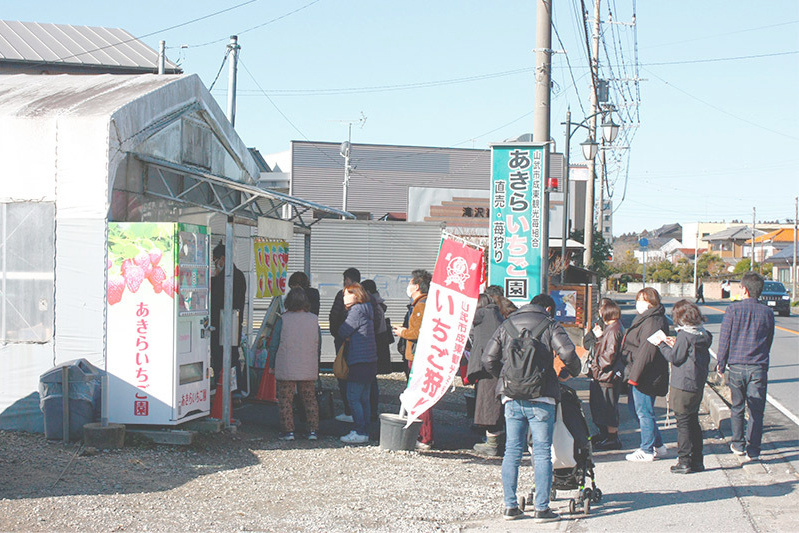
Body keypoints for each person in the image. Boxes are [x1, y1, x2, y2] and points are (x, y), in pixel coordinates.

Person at [482, 293, 581, 523]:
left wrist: (505, 379)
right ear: (547, 309)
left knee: (512, 451)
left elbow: (488, 359)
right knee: (542, 451)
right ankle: (541, 508)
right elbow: (567, 353)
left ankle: (510, 506)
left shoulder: (507, 325)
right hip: (542, 397)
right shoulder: (550, 325)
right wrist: (572, 372)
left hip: (512, 397)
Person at [716, 272, 775, 461]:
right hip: (758, 366)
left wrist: (721, 363)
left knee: (738, 407)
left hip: (737, 365)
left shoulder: (733, 310)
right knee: (757, 409)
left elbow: (725, 339)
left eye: (741, 287)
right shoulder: (767, 312)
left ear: (746, 290)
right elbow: (769, 340)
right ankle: (754, 448)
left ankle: (738, 443)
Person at [656, 300, 712, 473]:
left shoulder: (684, 335)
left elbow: (675, 358)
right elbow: (686, 352)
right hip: (697, 384)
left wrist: (661, 344)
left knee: (683, 424)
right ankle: (697, 460)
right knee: (693, 422)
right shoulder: (703, 333)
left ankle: (684, 460)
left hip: (683, 384)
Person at [621, 287, 670, 462]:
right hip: (639, 371)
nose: (639, 303)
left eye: (643, 299)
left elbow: (646, 352)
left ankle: (647, 449)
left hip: (645, 374)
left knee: (643, 412)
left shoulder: (653, 321)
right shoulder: (647, 318)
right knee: (638, 410)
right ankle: (658, 445)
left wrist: (634, 376)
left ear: (652, 302)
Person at [268, 288, 321, 441]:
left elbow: (274, 345)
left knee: (286, 400)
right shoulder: (313, 320)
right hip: (307, 364)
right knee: (310, 399)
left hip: (287, 365)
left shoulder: (283, 319)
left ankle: (288, 431)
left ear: (288, 302)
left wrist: (272, 364)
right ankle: (312, 431)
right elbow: (318, 344)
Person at [393, 269, 434, 449]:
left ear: (416, 286)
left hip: (418, 356)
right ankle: (424, 435)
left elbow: (417, 333)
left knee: (419, 396)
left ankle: (425, 437)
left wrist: (403, 332)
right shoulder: (422, 303)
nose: (408, 286)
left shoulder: (421, 305)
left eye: (410, 283)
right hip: (419, 355)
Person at [336, 283, 378, 444]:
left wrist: (347, 336)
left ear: (356, 295)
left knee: (353, 397)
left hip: (358, 359)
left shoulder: (356, 311)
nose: (344, 297)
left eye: (347, 294)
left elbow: (343, 331)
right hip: (370, 359)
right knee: (364, 398)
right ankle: (364, 430)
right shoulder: (368, 309)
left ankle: (359, 430)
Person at [466, 293, 506, 456]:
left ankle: (492, 444)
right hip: (498, 365)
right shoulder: (496, 315)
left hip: (488, 367)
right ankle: (497, 441)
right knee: (494, 403)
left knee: (489, 404)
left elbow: (464, 321)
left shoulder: (483, 314)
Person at [588, 298, 625, 451]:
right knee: (601, 407)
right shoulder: (613, 328)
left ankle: (611, 437)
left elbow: (609, 354)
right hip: (604, 375)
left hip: (606, 375)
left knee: (608, 407)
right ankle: (605, 435)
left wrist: (596, 366)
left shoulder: (614, 329)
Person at [210, 242, 247, 388]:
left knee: (225, 357)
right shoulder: (237, 274)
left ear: (223, 258)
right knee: (231, 356)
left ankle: (229, 389)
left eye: (215, 260)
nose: (214, 264)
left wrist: (214, 279)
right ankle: (234, 389)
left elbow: (217, 299)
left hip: (224, 323)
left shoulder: (229, 276)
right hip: (232, 323)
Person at [329, 267, 361, 423]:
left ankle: (350, 410)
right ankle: (362, 412)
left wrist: (338, 333)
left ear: (348, 280)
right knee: (359, 377)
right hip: (360, 345)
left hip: (343, 341)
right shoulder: (365, 297)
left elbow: (334, 316)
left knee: (342, 373)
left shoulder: (343, 295)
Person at [362, 279, 392, 421]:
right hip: (378, 346)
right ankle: (372, 409)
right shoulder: (378, 304)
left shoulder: (373, 306)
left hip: (374, 347)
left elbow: (373, 329)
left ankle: (371, 411)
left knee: (371, 381)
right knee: (372, 380)